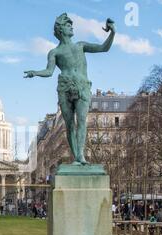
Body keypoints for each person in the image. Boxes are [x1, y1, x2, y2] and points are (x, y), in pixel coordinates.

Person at [24, 14, 115, 165]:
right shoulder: (55, 52)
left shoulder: (80, 46)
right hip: (64, 87)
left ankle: (80, 156)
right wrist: (35, 72)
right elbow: (49, 71)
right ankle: (77, 157)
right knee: (69, 124)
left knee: (81, 121)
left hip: (82, 86)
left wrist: (113, 33)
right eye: (68, 25)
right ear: (60, 30)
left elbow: (103, 48)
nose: (71, 26)